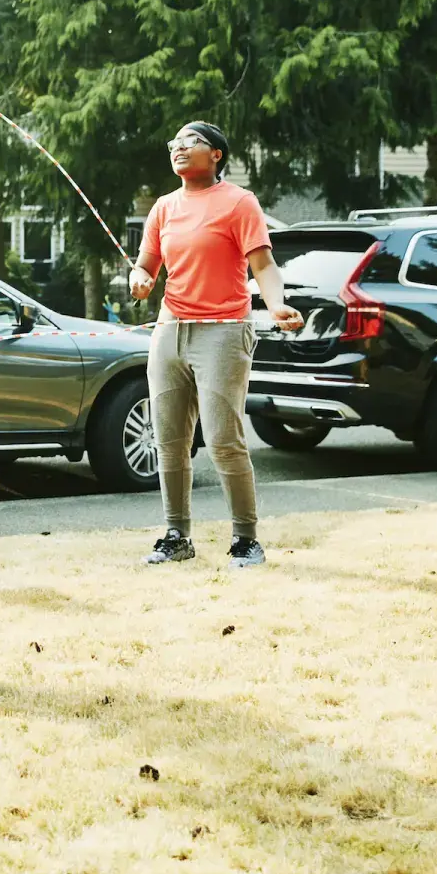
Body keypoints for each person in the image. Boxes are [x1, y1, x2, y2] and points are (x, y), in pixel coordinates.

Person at [128, 122, 302, 568]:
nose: (179, 149)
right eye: (174, 144)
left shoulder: (240, 203)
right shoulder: (164, 208)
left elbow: (262, 265)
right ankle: (176, 536)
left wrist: (277, 304)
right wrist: (141, 278)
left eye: (191, 142)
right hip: (170, 331)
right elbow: (146, 263)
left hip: (224, 332)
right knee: (168, 440)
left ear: (217, 154)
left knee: (224, 438)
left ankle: (245, 539)